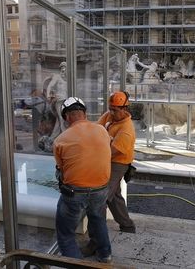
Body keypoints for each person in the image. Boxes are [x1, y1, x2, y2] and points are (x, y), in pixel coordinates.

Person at [53, 97, 112, 263]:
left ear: (66, 117)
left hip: (74, 193)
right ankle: (105, 256)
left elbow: (61, 171)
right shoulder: (102, 130)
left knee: (65, 235)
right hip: (101, 189)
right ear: (84, 114)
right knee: (98, 220)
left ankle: (77, 265)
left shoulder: (61, 140)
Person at [82, 91, 137, 257]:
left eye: (115, 110)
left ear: (125, 108)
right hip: (107, 157)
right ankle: (127, 226)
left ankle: (95, 242)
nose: (111, 113)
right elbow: (96, 131)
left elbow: (109, 152)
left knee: (99, 200)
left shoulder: (126, 130)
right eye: (110, 109)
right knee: (115, 196)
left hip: (118, 163)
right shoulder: (109, 116)